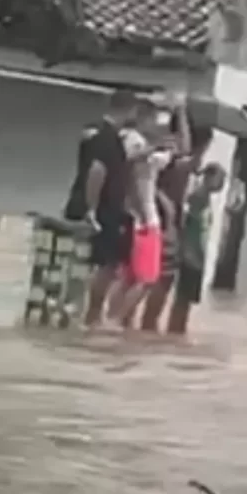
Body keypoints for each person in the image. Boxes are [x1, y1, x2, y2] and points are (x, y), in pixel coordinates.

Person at [63, 89, 138, 327]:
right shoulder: (107, 138)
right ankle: (91, 316)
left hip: (100, 207)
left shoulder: (100, 134)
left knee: (94, 263)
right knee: (105, 265)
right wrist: (92, 209)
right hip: (102, 210)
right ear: (130, 110)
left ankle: (81, 313)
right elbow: (97, 171)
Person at [138, 119, 215, 332]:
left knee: (163, 281)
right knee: (160, 280)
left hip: (170, 225)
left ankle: (148, 324)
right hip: (168, 226)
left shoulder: (179, 166)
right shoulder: (176, 163)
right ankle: (147, 323)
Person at [106, 98, 176, 328]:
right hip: (146, 221)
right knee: (145, 279)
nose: (157, 126)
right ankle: (115, 320)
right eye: (154, 120)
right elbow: (179, 148)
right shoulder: (138, 146)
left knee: (128, 277)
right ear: (143, 118)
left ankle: (110, 318)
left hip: (130, 217)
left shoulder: (130, 143)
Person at [166, 162, 227, 335]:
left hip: (196, 254)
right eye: (220, 179)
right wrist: (186, 250)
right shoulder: (198, 197)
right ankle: (175, 331)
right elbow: (188, 224)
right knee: (183, 299)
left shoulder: (203, 197)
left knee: (186, 300)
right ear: (208, 177)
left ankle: (177, 332)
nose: (222, 184)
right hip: (191, 253)